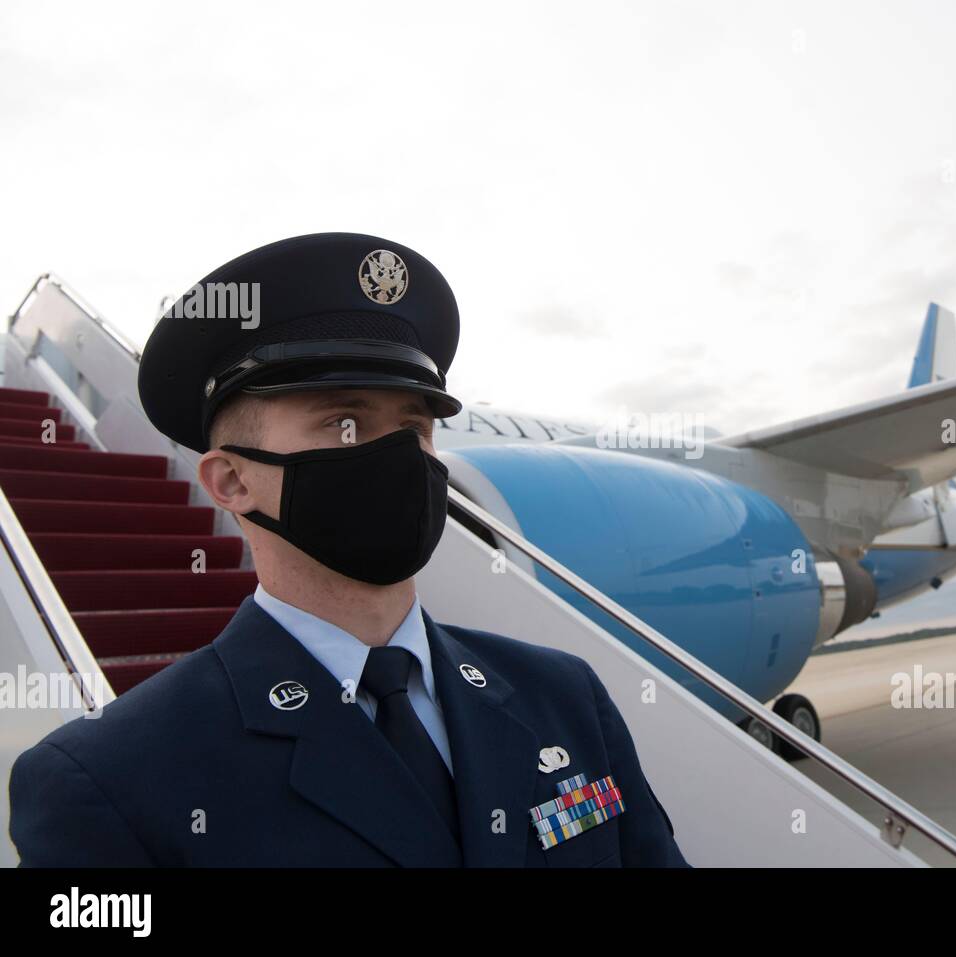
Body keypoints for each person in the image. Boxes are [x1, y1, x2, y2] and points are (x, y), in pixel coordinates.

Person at [8, 232, 688, 867]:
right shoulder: (107, 780)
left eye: (414, 426)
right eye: (345, 423)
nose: (398, 456)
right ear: (232, 480)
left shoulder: (563, 697)